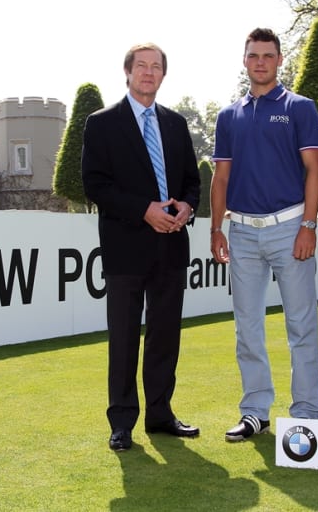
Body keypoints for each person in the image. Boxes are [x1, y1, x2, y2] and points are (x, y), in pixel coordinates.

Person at [82, 42, 202, 452]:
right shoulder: (101, 123)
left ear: (163, 75)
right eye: (142, 66)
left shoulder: (175, 124)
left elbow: (191, 181)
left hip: (171, 245)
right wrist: (143, 211)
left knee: (165, 336)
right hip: (125, 248)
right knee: (125, 337)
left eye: (156, 67)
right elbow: (95, 184)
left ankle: (161, 414)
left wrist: (187, 205)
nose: (148, 73)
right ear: (128, 72)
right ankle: (121, 421)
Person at [209, 27, 318, 442]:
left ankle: (306, 414)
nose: (260, 62)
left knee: (301, 327)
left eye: (268, 55)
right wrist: (216, 228)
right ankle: (255, 411)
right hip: (241, 233)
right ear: (245, 61)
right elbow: (220, 178)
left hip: (291, 227)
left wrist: (309, 225)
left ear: (279, 60)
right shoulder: (228, 115)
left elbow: (315, 170)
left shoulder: (299, 108)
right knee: (248, 328)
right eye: (253, 55)